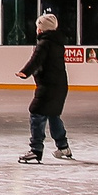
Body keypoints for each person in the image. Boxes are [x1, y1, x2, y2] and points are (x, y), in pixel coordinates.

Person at [18, 11, 73, 162]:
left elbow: (36, 60)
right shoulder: (57, 43)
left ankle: (36, 149)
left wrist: (25, 72)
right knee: (53, 115)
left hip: (48, 86)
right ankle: (63, 147)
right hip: (59, 86)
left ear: (41, 29)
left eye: (38, 26)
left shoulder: (44, 44)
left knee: (36, 113)